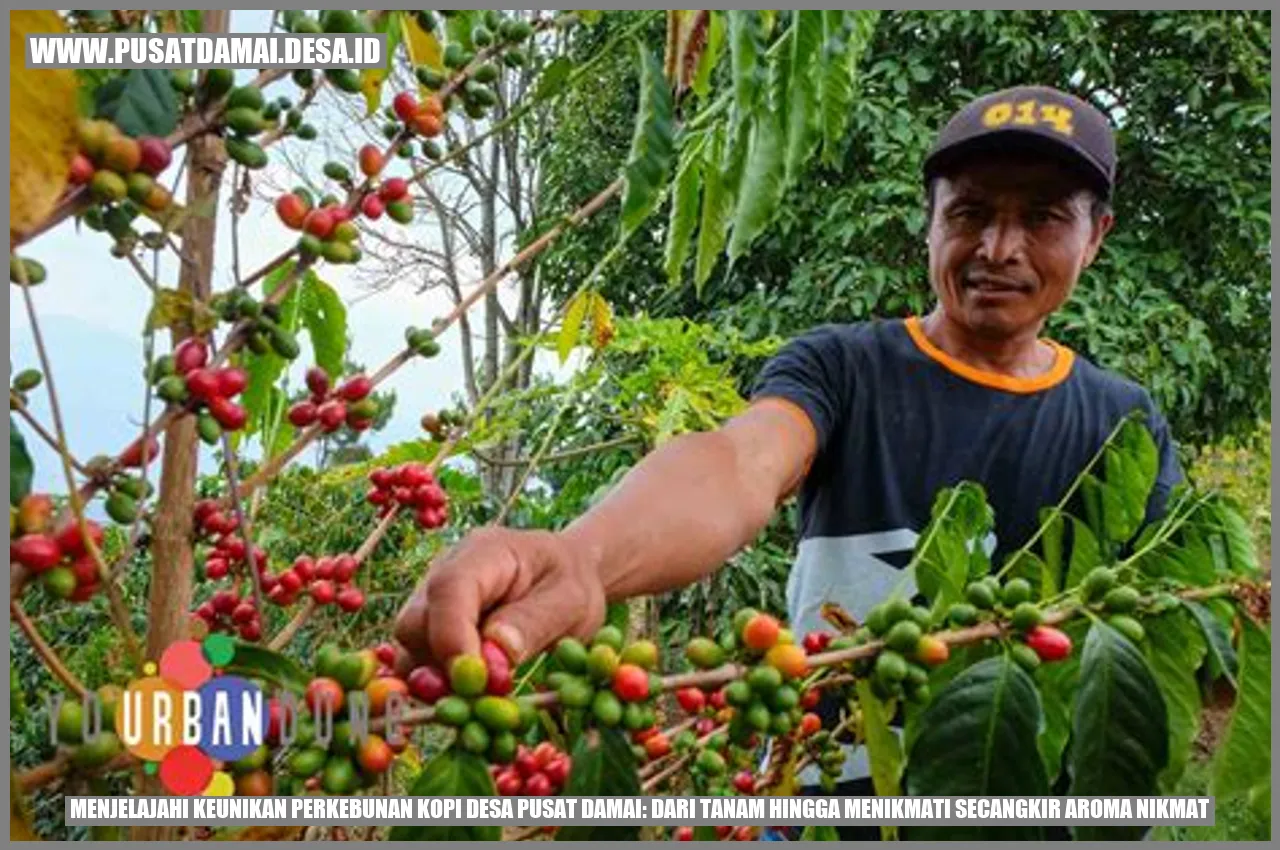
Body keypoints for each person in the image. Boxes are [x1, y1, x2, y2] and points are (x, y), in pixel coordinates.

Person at [393, 85, 1183, 823]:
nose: (999, 247)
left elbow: (1174, 625)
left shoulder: (1124, 422)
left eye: (1042, 218)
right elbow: (737, 466)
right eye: (969, 213)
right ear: (931, 220)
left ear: (1096, 236)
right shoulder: (845, 368)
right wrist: (582, 556)